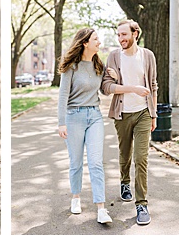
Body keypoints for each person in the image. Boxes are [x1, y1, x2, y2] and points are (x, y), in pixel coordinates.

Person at [55, 28, 112, 225]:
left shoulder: (99, 65)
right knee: (76, 162)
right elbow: (63, 95)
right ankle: (76, 197)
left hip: (94, 116)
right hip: (74, 117)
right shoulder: (71, 66)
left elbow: (105, 92)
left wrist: (112, 76)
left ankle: (101, 208)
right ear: (85, 42)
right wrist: (61, 122)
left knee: (96, 162)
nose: (99, 42)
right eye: (96, 39)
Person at [104, 20, 159, 226]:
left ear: (135, 33)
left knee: (141, 157)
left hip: (143, 112)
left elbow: (153, 85)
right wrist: (130, 87)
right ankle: (124, 182)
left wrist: (153, 115)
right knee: (125, 153)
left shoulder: (147, 55)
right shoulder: (114, 56)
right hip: (122, 114)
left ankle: (142, 204)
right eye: (118, 35)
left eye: (124, 34)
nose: (121, 39)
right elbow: (107, 87)